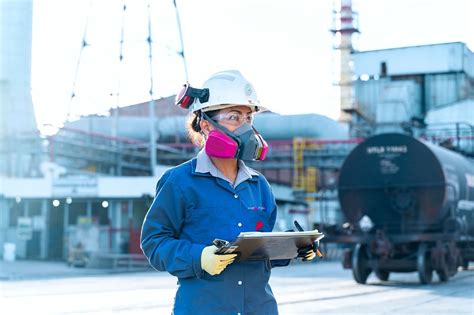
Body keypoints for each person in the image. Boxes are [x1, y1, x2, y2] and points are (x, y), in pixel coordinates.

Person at [140, 70, 319, 315]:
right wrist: (198, 257)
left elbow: (259, 253)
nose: (245, 127)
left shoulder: (259, 185)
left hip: (259, 308)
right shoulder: (179, 182)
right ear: (205, 124)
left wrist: (293, 247)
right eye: (234, 117)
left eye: (248, 118)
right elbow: (154, 242)